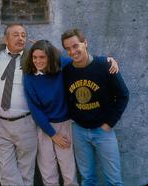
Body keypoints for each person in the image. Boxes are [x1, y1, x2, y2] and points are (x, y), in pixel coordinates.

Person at [61, 28, 129, 186]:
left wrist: (109, 123)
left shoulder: (104, 65)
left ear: (85, 43)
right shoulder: (67, 71)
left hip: (103, 130)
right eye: (68, 48)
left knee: (114, 180)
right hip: (79, 131)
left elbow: (123, 95)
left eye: (75, 46)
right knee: (88, 179)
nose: (72, 51)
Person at [23, 40, 78, 186]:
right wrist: (53, 134)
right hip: (44, 127)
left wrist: (106, 61)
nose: (38, 61)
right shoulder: (29, 76)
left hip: (64, 124)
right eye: (35, 57)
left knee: (69, 171)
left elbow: (78, 59)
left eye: (42, 57)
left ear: (50, 57)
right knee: (48, 173)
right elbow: (35, 109)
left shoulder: (61, 67)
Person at [0, 23, 38, 186]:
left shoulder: (33, 58)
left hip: (26, 123)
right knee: (6, 173)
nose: (21, 38)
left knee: (26, 172)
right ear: (5, 39)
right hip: (0, 124)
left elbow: (59, 59)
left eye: (23, 35)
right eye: (16, 34)